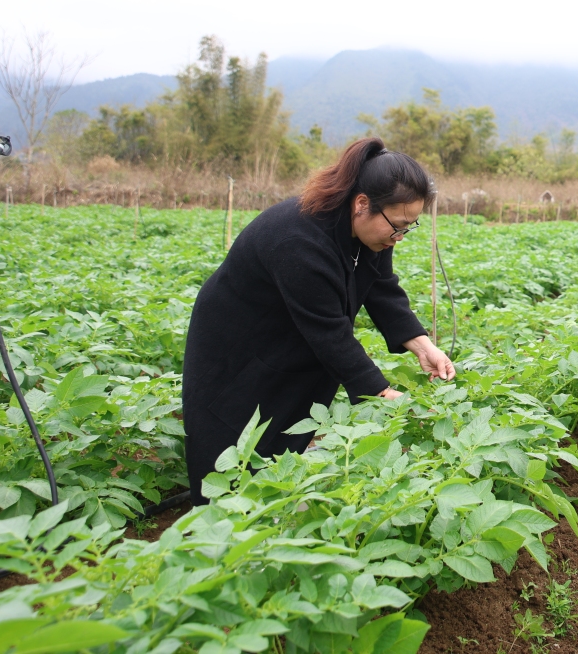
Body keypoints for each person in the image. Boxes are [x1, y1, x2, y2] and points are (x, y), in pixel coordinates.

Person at [183, 138, 456, 501]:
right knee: (231, 439)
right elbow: (330, 334)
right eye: (398, 225)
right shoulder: (298, 240)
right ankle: (213, 533)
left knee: (281, 431)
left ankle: (268, 510)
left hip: (289, 336)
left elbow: (381, 288)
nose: (400, 236)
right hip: (238, 343)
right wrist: (381, 394)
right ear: (362, 204)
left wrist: (424, 346)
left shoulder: (371, 235)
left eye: (410, 227)